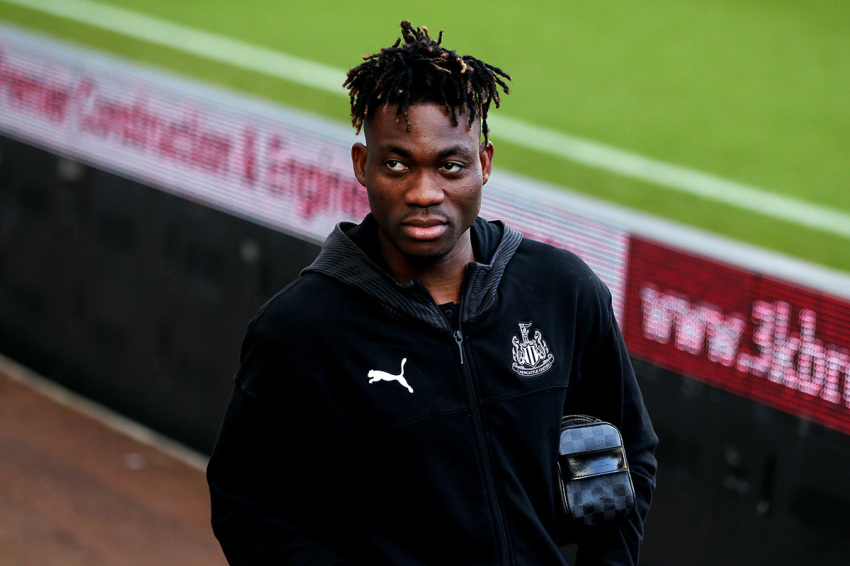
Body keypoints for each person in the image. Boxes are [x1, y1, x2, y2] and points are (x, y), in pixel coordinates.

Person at [207, 20, 657, 566]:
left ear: (483, 164)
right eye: (397, 164)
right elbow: (248, 506)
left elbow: (628, 453)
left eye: (450, 165)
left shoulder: (562, 289)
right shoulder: (302, 328)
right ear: (362, 165)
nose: (424, 192)